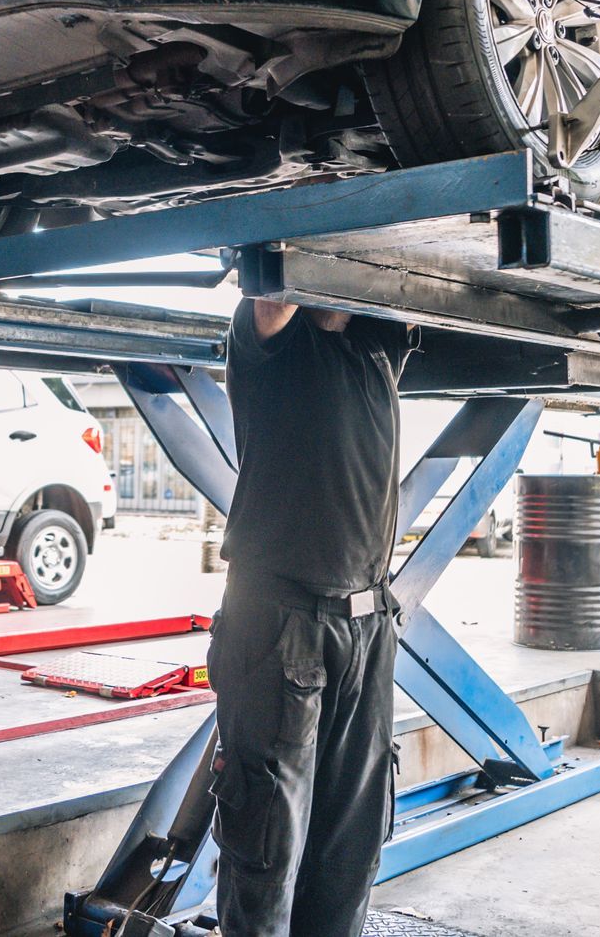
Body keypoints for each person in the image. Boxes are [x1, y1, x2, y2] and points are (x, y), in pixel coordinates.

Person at [209, 297, 414, 937]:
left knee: (351, 844)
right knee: (266, 839)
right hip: (281, 621)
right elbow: (274, 295)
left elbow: (415, 286)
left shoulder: (376, 348)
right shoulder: (269, 343)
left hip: (369, 621)